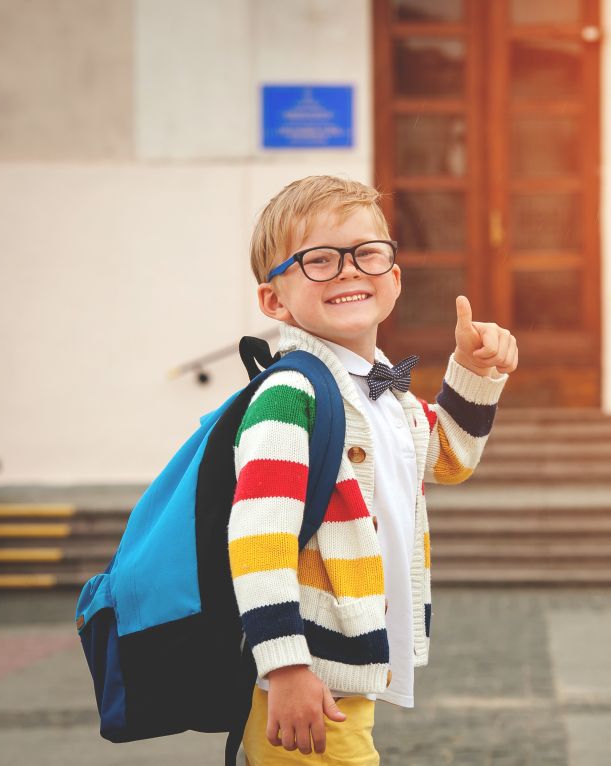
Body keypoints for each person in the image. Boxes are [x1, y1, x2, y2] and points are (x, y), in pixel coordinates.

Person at [228, 175, 518, 764]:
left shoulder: (379, 389)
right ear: (273, 301)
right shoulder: (290, 394)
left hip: (346, 671)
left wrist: (472, 369)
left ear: (394, 277)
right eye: (318, 260)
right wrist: (284, 666)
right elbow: (259, 538)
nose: (348, 270)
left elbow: (448, 459)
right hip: (309, 679)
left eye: (366, 253)